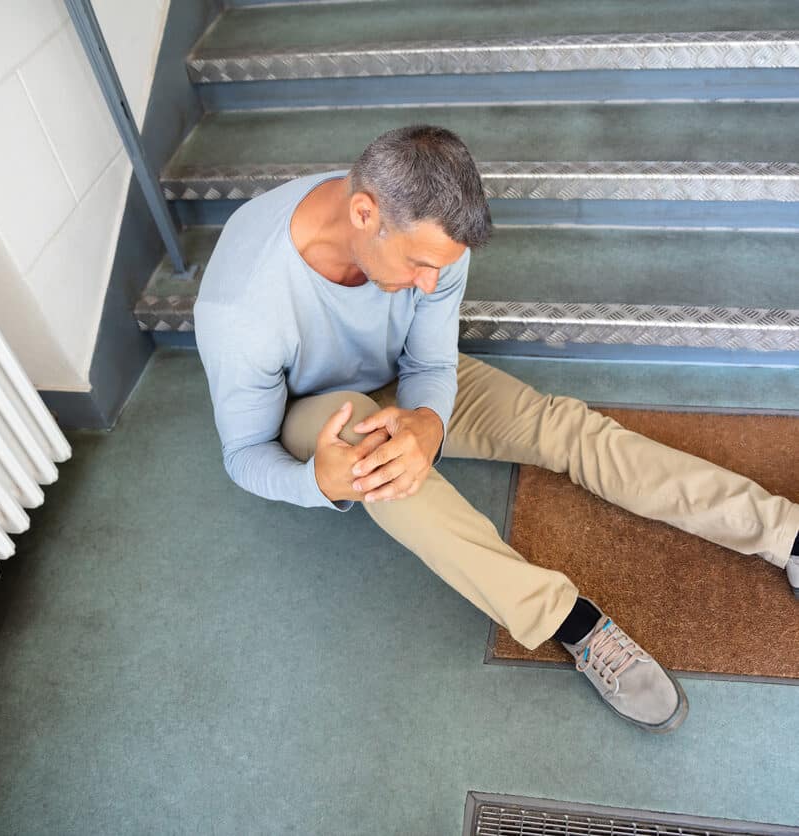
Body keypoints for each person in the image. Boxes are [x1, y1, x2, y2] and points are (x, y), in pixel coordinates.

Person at [194, 125, 799, 735]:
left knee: (562, 429)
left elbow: (430, 362)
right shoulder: (243, 308)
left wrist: (429, 421)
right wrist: (316, 483)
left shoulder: (432, 246)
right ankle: (570, 621)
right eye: (421, 265)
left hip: (401, 383)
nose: (432, 283)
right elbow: (244, 453)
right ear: (362, 212)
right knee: (378, 463)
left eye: (442, 268)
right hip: (319, 414)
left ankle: (785, 533)